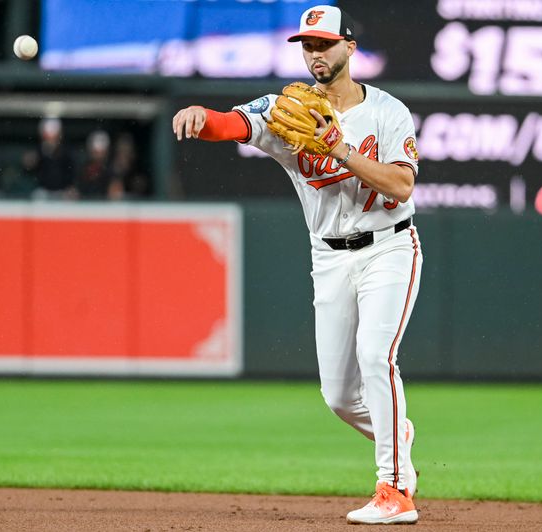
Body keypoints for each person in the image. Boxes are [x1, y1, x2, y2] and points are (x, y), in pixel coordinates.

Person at [172, 5, 423, 525]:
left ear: (349, 49)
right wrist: (204, 118)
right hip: (328, 255)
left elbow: (401, 187)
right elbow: (231, 124)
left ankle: (395, 489)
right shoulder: (284, 109)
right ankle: (397, 439)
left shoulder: (389, 111)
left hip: (389, 246)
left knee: (376, 355)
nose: (314, 53)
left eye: (324, 44)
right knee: (337, 396)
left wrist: (342, 150)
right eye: (307, 45)